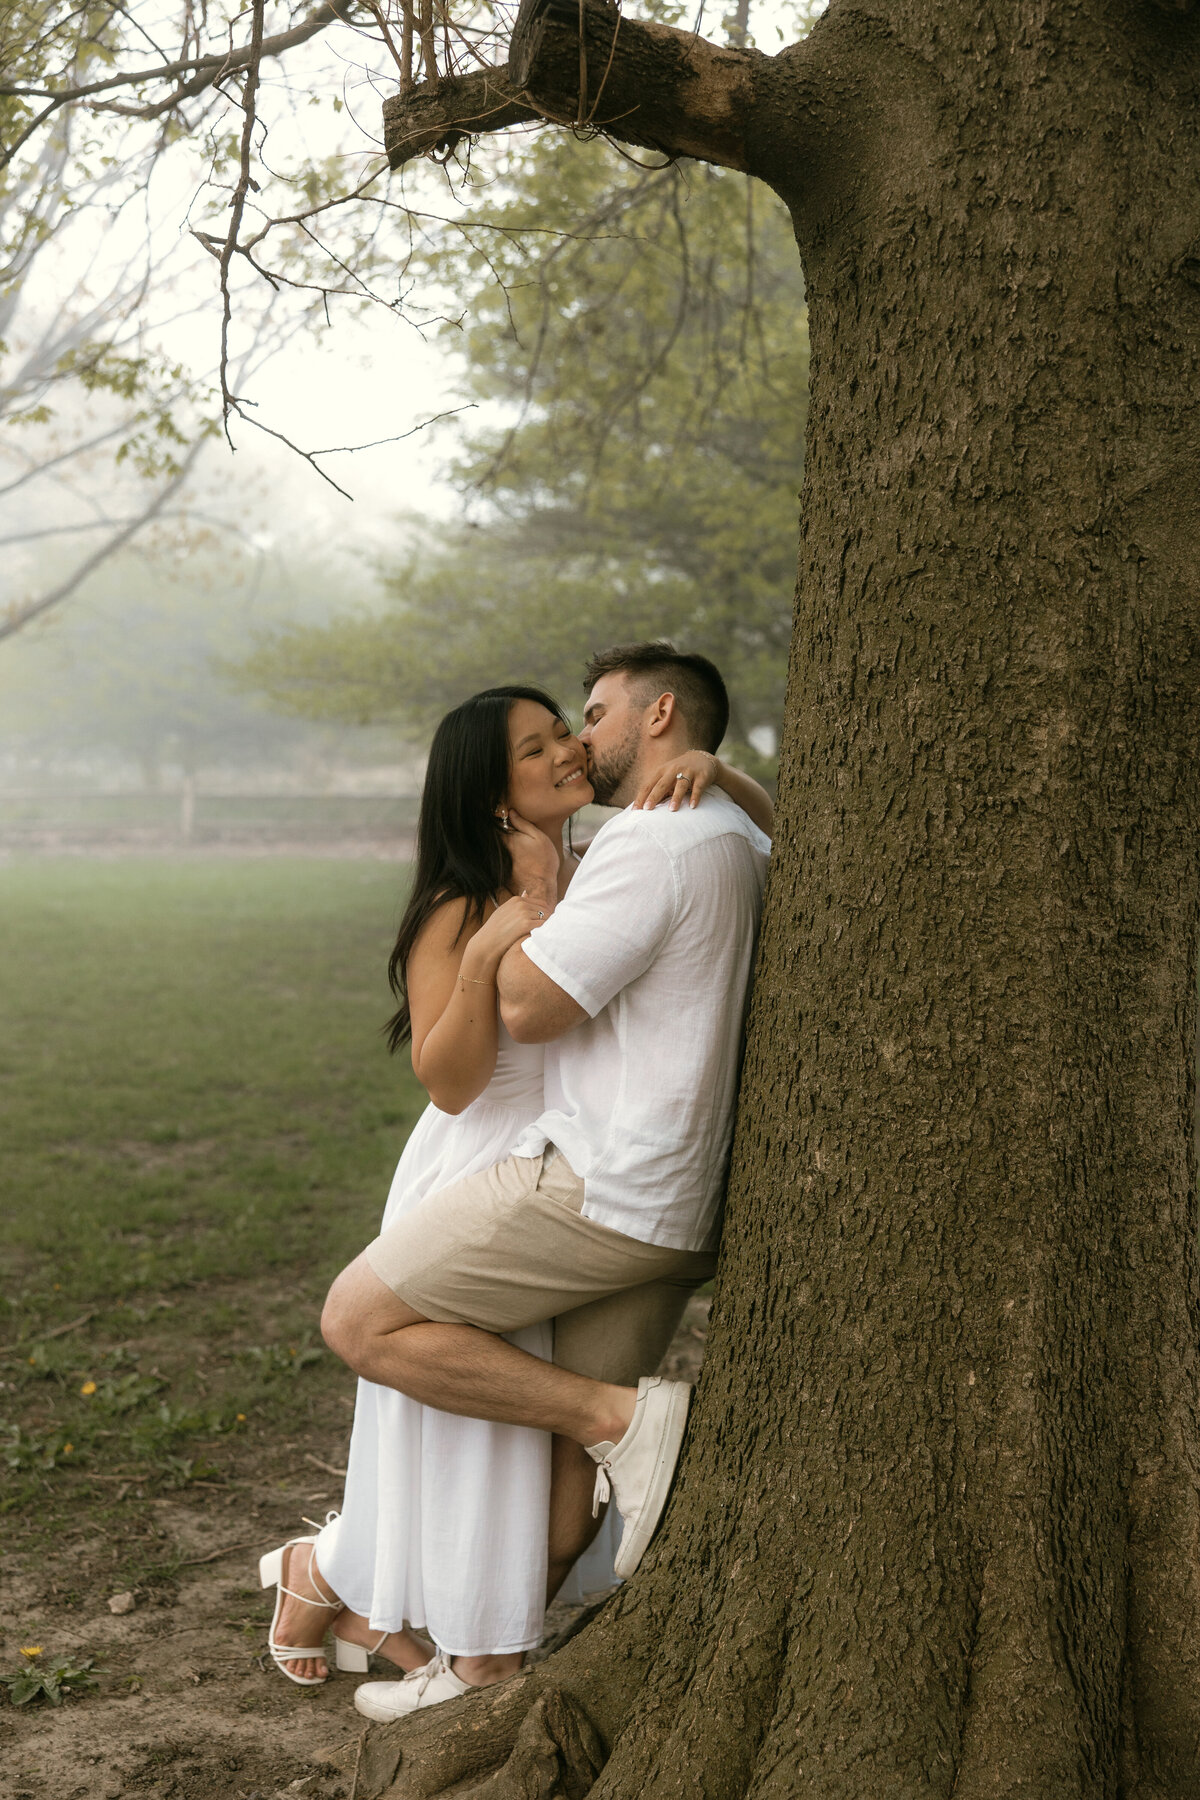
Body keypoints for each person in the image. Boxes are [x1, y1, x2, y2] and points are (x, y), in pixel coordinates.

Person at [259, 668, 770, 1692]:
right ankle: (335, 1574)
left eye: (565, 734)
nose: (567, 753)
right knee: (462, 1434)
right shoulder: (463, 902)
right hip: (479, 1159)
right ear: (495, 794)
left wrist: (730, 774)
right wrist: (497, 944)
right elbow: (447, 1084)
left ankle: (464, 1640)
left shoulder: (607, 855)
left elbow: (744, 843)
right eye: (537, 748)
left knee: (529, 1459)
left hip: (559, 1159)